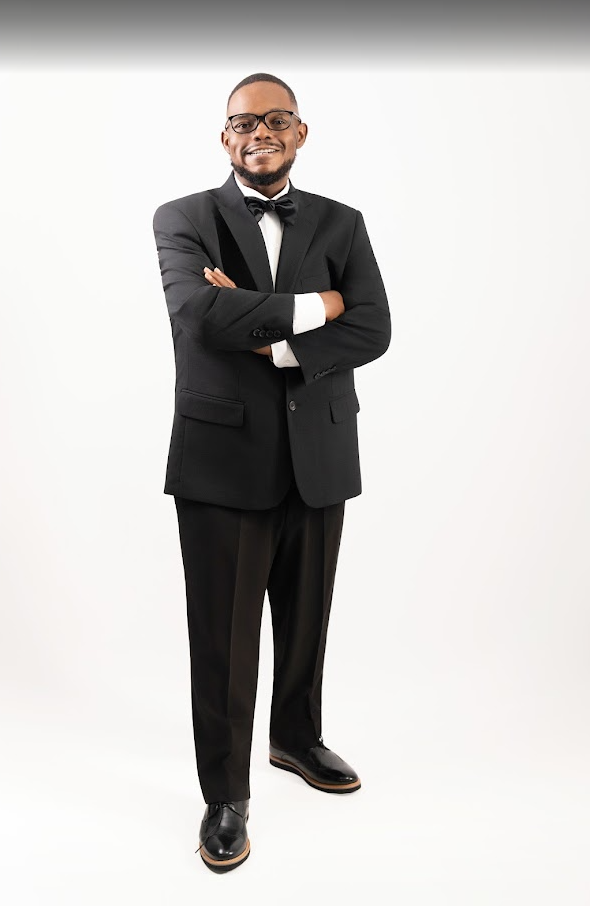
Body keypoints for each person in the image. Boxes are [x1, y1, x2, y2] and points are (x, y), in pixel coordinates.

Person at [152, 72, 390, 873]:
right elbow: (196, 315)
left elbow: (376, 326)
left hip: (321, 451)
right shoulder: (185, 218)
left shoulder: (343, 222)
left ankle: (295, 737)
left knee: (307, 613)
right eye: (243, 121)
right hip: (221, 460)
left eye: (276, 118)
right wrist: (317, 303)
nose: (260, 131)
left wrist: (272, 330)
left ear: (301, 131)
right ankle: (226, 796)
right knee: (223, 637)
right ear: (224, 138)